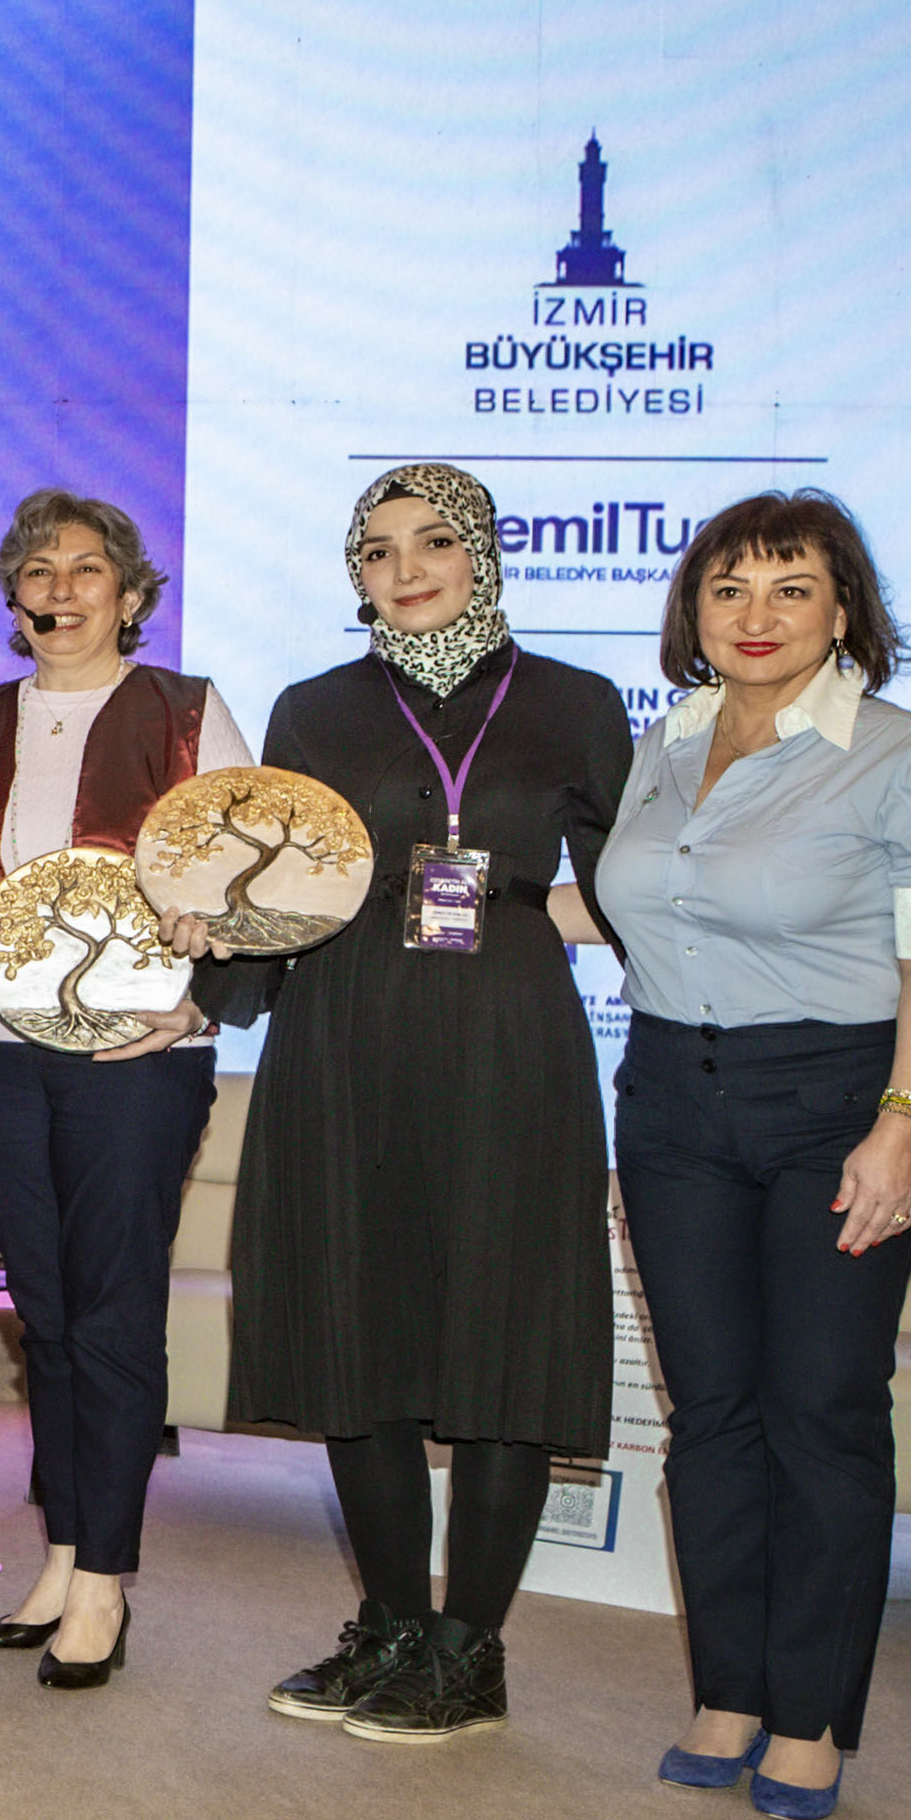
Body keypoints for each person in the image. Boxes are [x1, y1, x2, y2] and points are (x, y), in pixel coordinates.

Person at [189, 462, 636, 1742]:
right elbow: (283, 886)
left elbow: (635, 885)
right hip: (343, 1033)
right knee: (356, 1324)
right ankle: (388, 1625)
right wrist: (207, 980)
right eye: (377, 550)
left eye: (433, 541)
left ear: (481, 553)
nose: (406, 569)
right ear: (356, 576)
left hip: (507, 1037)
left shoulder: (574, 703)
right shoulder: (314, 709)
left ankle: (468, 1648)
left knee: (503, 1330)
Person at [594, 492, 911, 1820]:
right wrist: (433, 897)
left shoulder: (908, 757)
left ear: (842, 609)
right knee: (710, 1409)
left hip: (838, 1102)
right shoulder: (668, 742)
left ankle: (811, 1712)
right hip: (670, 1101)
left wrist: (903, 1124)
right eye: (728, 589)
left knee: (820, 1408)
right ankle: (727, 1689)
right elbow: (632, 907)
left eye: (789, 588)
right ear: (693, 611)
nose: (755, 616)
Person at [0, 491, 250, 1688]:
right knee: (46, 1313)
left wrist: (202, 998)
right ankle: (63, 1556)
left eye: (85, 570)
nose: (58, 590)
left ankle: (106, 1580)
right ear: (13, 597)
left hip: (135, 1053)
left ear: (129, 594)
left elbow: (249, 884)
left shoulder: (184, 711)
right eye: (37, 572)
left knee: (112, 1309)